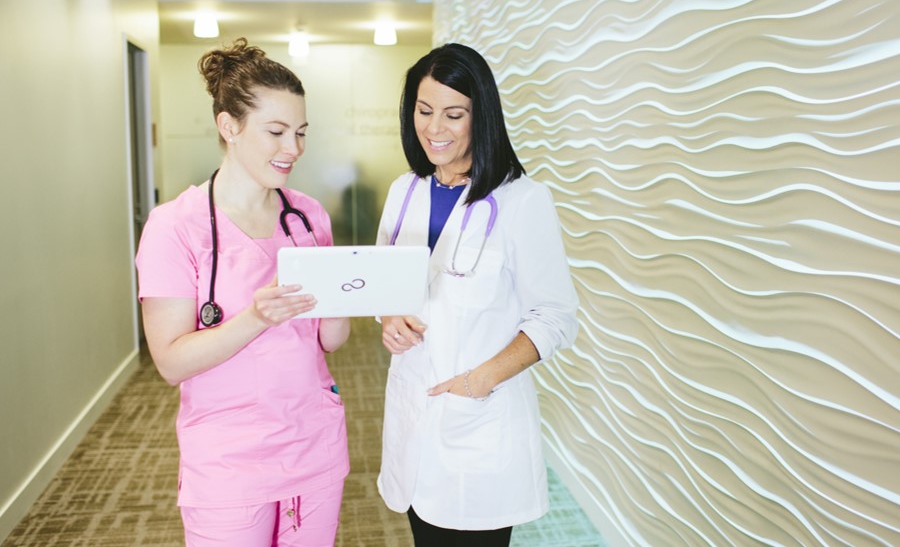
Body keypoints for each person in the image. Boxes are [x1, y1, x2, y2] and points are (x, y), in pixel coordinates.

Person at [134, 38, 350, 547]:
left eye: (300, 133)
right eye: (275, 131)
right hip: (229, 461)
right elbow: (171, 362)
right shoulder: (174, 227)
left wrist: (353, 293)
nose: (293, 148)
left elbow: (328, 342)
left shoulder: (308, 216)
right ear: (228, 127)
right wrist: (255, 317)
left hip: (312, 446)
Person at [375, 43, 579, 547]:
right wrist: (389, 318)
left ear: (480, 116)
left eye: (454, 113)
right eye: (424, 111)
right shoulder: (405, 190)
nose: (434, 128)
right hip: (413, 420)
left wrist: (479, 381)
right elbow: (385, 281)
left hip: (477, 427)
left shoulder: (522, 200)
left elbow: (555, 318)